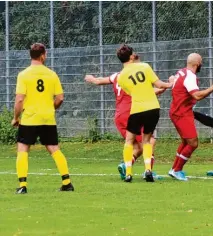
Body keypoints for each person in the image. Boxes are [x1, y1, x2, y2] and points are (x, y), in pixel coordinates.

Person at [84, 55, 166, 180]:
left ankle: (126, 166)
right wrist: (162, 88)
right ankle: (148, 171)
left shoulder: (118, 75)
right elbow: (143, 92)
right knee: (149, 141)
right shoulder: (133, 74)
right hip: (131, 112)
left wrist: (92, 79)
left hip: (119, 116)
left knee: (136, 146)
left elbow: (99, 81)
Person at [12, 43, 74, 194]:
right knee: (54, 148)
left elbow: (19, 100)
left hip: (30, 117)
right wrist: (50, 108)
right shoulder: (51, 74)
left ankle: (23, 185)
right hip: (47, 118)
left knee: (23, 148)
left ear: (30, 56)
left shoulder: (24, 74)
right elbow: (60, 98)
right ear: (43, 55)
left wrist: (15, 117)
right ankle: (67, 183)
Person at [116, 44, 172, 182]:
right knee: (147, 140)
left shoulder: (121, 77)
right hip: (153, 108)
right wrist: (170, 83)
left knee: (129, 141)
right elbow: (158, 84)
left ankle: (128, 173)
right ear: (131, 56)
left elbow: (132, 92)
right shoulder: (145, 66)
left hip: (137, 109)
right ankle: (148, 171)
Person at [168, 53, 213, 181]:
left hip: (176, 111)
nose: (202, 64)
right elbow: (197, 95)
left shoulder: (181, 72)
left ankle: (174, 169)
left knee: (186, 142)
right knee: (193, 143)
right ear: (197, 64)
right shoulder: (190, 76)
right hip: (182, 113)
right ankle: (177, 170)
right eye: (201, 62)